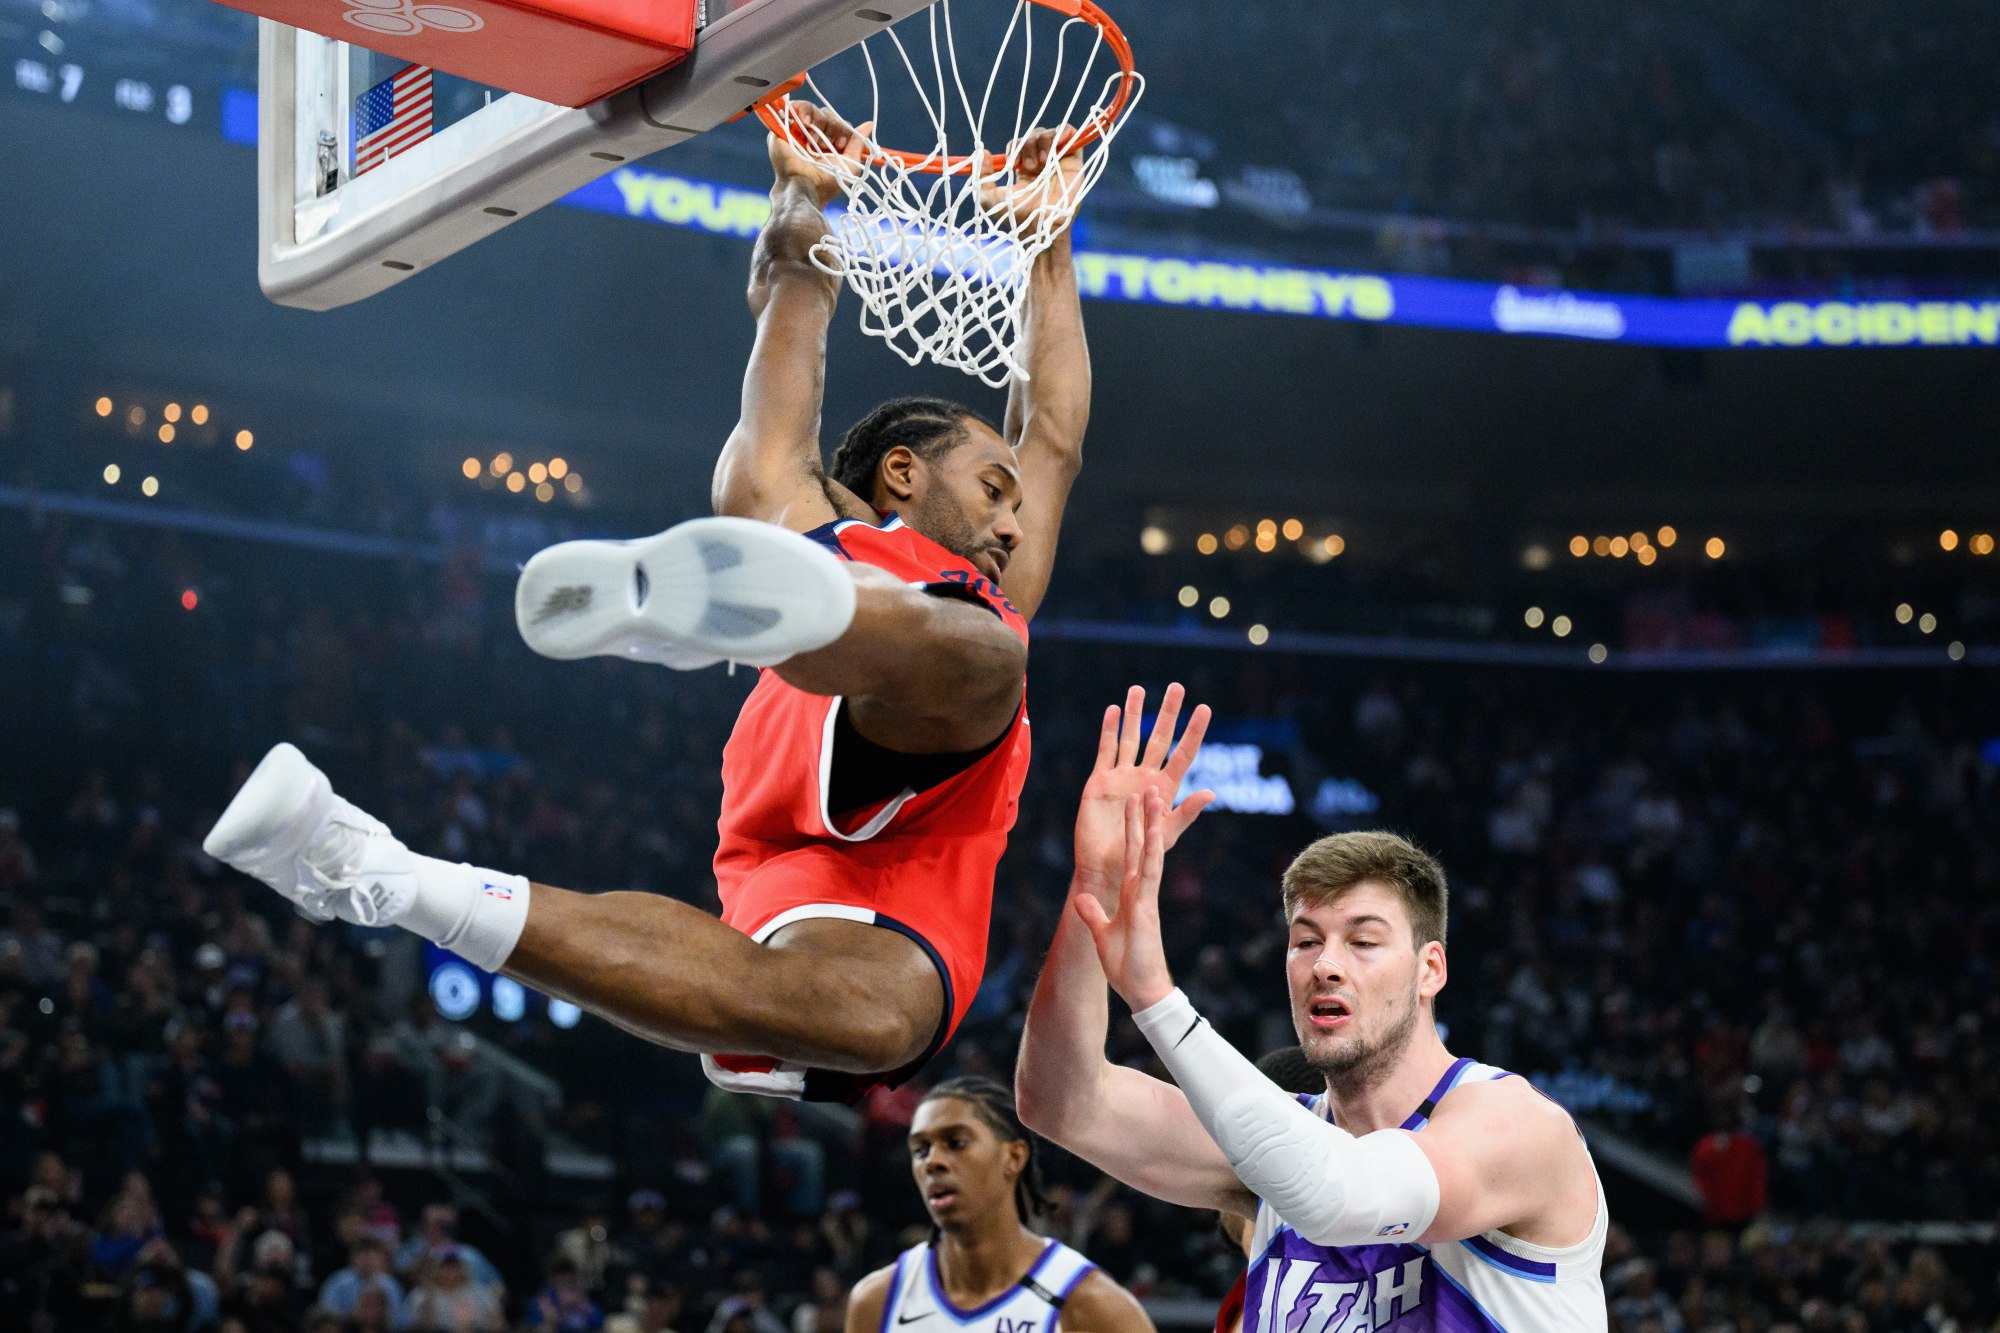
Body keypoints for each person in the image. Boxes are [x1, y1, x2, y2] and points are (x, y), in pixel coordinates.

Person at [201, 105, 1097, 1105]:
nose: (1016, 520)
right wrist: (802, 200)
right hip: (825, 766)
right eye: (991, 487)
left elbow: (1053, 433)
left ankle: (378, 874)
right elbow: (789, 299)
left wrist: (1046, 233)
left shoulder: (967, 568)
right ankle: (755, 608)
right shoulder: (827, 513)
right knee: (957, 633)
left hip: (914, 852)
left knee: (881, 1023)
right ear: (900, 473)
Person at [1016, 690, 1609, 1331]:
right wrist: (1094, 888)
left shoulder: (1517, 1123)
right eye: (1306, 941)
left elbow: (1337, 1194)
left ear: (1430, 969)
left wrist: (1159, 1002)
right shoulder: (1282, 1153)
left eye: (1362, 941)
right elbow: (1060, 1100)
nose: (1326, 964)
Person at [846, 1077, 1155, 1333]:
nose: (932, 1162)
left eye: (956, 1143)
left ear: (1014, 1157)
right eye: (921, 1149)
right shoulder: (876, 1301)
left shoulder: (1090, 1304)